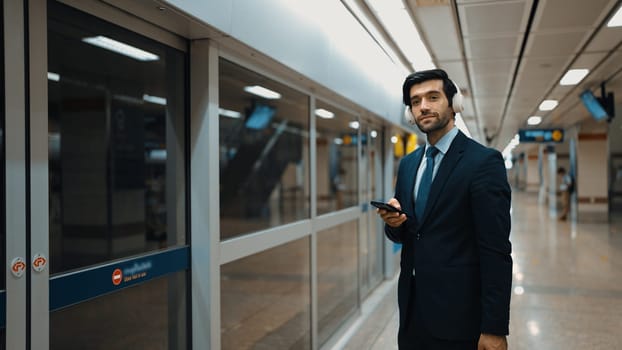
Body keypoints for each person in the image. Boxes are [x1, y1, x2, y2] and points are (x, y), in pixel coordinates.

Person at [375, 69, 512, 350]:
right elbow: (408, 235)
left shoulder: (483, 162)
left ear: (454, 104)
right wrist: (394, 223)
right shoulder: (409, 164)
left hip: (461, 318)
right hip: (412, 313)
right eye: (415, 101)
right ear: (410, 113)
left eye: (433, 97)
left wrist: (494, 327)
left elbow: (495, 250)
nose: (423, 106)